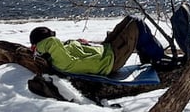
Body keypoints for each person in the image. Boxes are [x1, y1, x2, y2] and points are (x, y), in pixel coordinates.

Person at [29, 16, 166, 76]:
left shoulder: (56, 54)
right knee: (137, 24)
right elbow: (53, 44)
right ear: (46, 41)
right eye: (52, 36)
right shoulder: (59, 58)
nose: (56, 38)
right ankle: (159, 58)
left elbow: (64, 49)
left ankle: (148, 55)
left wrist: (77, 43)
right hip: (111, 60)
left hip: (106, 49)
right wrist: (40, 45)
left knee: (130, 19)